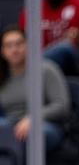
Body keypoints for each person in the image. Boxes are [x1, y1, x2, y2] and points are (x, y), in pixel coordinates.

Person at [0, 24, 70, 154]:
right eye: (8, 45)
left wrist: (33, 117)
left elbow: (62, 106)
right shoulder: (2, 75)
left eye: (19, 44)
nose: (14, 49)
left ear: (28, 46)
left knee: (32, 134)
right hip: (10, 124)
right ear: (2, 51)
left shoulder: (46, 69)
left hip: (45, 124)